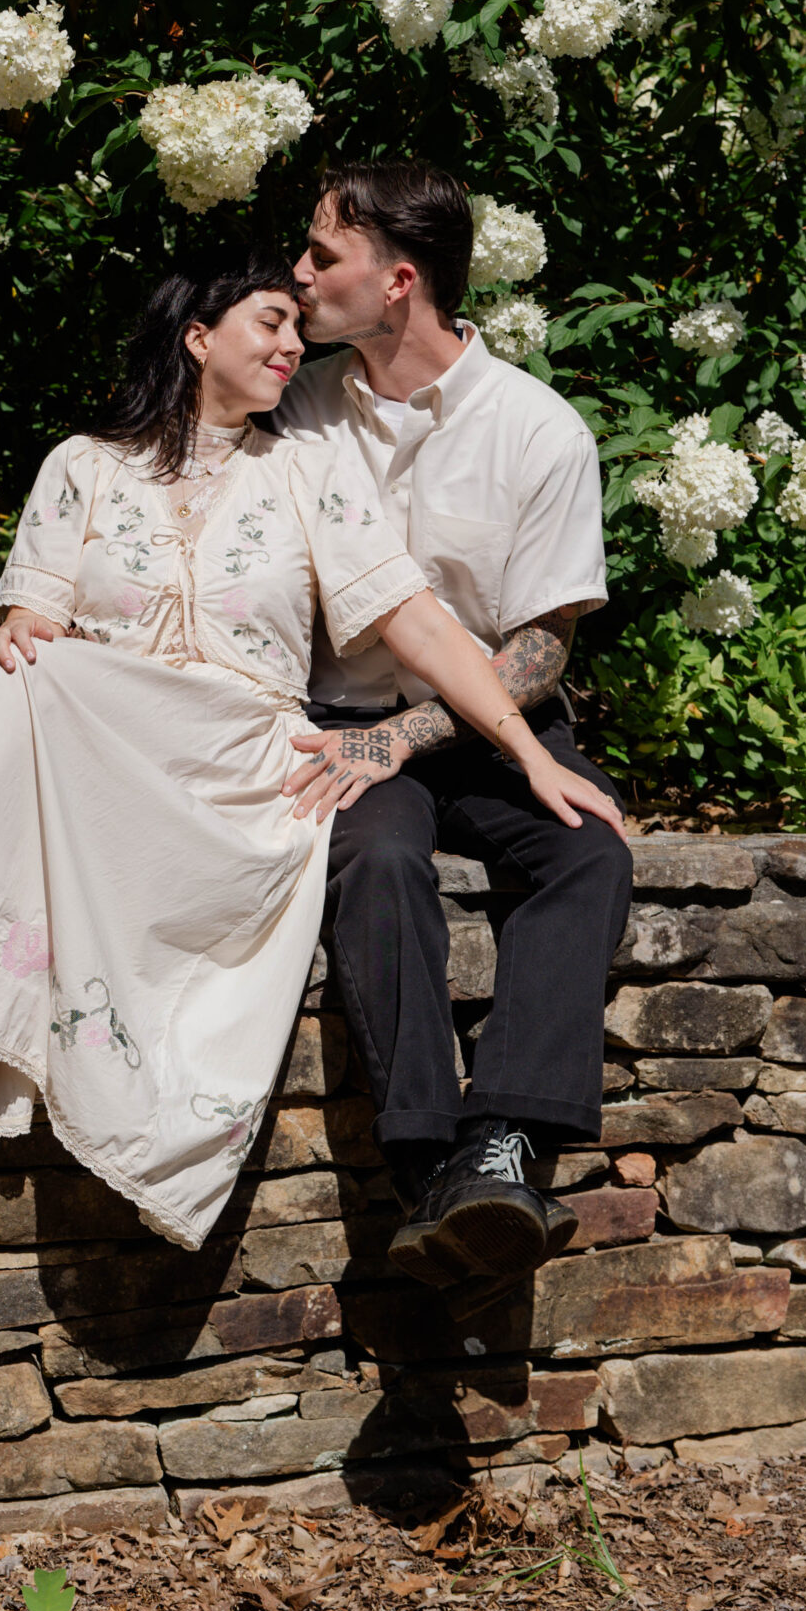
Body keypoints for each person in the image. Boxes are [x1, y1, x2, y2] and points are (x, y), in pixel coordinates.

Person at [0, 252, 624, 1347]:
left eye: (299, 328)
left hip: (242, 775)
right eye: (270, 325)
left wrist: (528, 749)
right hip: (97, 766)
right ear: (197, 336)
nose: (293, 349)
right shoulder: (81, 467)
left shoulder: (309, 469)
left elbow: (420, 625)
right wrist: (13, 635)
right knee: (13, 713)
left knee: (28, 718)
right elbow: (29, 631)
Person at [270, 161, 633, 1299]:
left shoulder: (538, 429)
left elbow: (540, 648)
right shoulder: (294, 407)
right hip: (338, 727)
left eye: (323, 255)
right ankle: (429, 1162)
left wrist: (413, 736)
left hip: (492, 722)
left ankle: (508, 1143)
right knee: (376, 859)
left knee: (590, 851)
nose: (299, 274)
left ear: (399, 281)